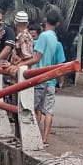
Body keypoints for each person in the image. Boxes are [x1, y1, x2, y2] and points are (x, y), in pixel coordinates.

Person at [27, 9, 64, 146]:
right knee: (48, 111)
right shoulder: (56, 40)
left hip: (40, 77)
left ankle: (33, 136)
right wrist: (60, 81)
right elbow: (60, 65)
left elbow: (36, 58)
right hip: (52, 79)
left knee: (34, 109)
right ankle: (44, 139)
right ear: (58, 24)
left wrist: (20, 64)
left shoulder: (42, 37)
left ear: (44, 21)